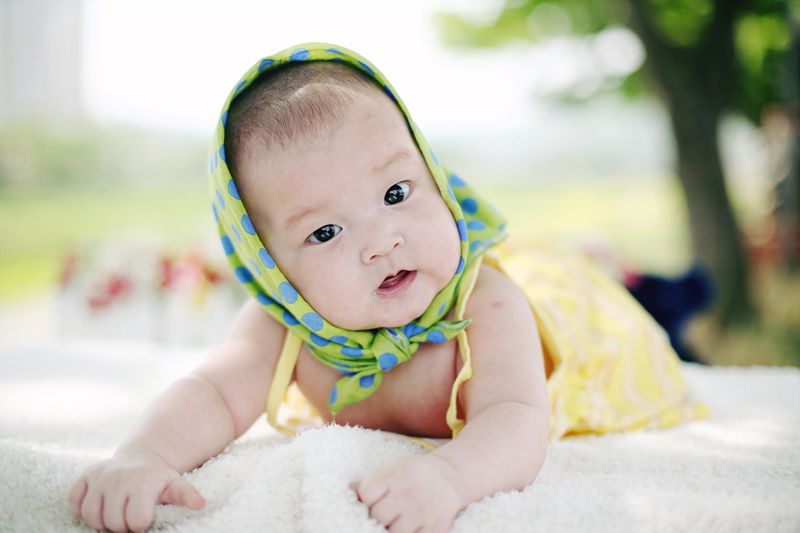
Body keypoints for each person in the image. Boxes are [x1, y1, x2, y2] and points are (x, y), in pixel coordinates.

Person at [67, 43, 708, 533]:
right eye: (324, 232)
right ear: (272, 268)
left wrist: (450, 475)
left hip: (570, 324)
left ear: (436, 178)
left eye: (397, 193)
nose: (380, 243)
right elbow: (210, 392)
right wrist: (144, 456)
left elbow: (516, 419)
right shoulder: (286, 323)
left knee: (608, 307)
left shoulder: (487, 302)